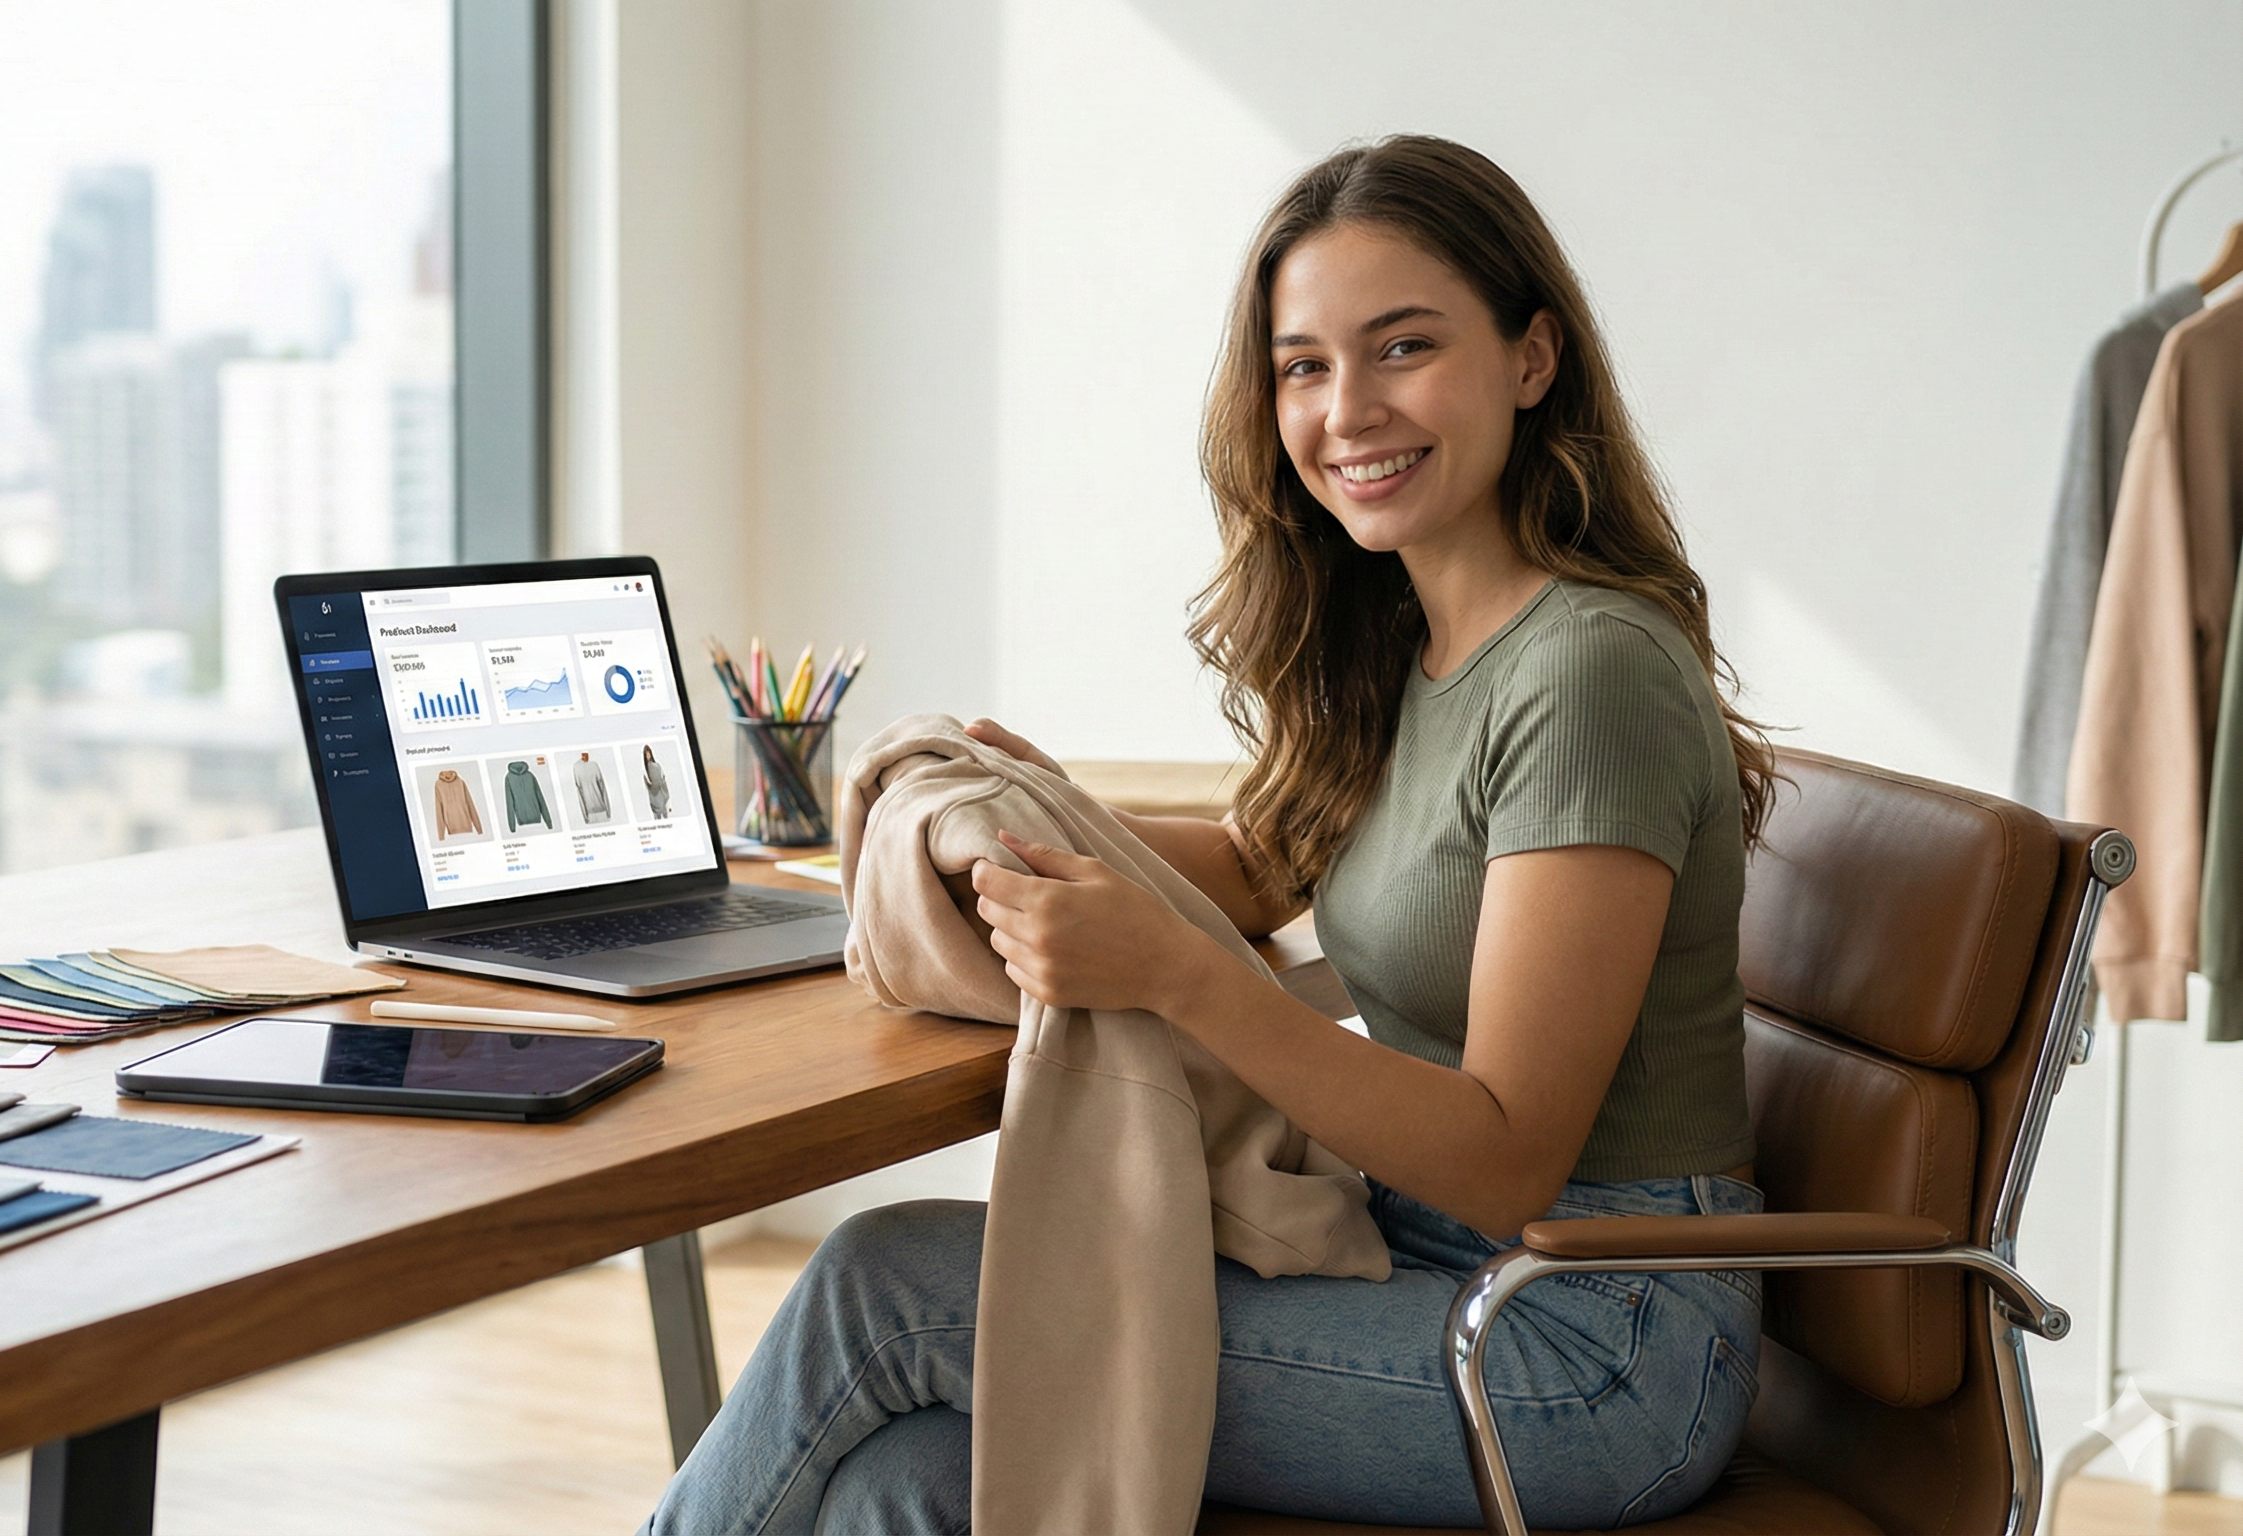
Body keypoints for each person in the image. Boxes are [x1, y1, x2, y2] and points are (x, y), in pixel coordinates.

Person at [642, 134, 1779, 1534]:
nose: (1347, 409)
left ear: (1531, 358)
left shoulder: (1585, 672)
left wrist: (1175, 975)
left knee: (883, 1290)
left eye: (1403, 347)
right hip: (1437, 1266)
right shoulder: (1418, 641)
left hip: (1589, 1344)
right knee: (911, 1485)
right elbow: (1264, 858)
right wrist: (1038, 806)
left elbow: (1503, 1156)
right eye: (1304, 365)